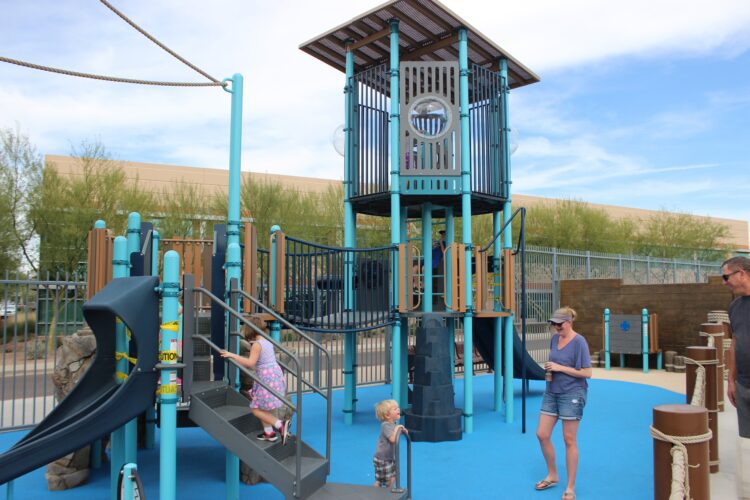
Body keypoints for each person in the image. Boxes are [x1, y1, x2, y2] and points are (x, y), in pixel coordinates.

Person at [535, 307, 592, 500]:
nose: (556, 327)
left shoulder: (579, 342)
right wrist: (551, 368)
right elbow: (555, 363)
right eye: (554, 323)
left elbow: (587, 373)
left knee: (569, 440)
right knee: (542, 434)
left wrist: (560, 367)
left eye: (560, 323)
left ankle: (570, 487)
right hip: (552, 391)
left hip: (572, 393)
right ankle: (553, 475)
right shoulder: (554, 339)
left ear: (569, 322)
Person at [220, 318, 291, 445]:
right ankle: (269, 433)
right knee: (263, 406)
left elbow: (250, 363)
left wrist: (232, 355)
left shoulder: (257, 345)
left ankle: (280, 424)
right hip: (274, 375)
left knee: (256, 408)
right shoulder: (267, 341)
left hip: (266, 377)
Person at [722, 256, 750, 438]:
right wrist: (731, 381)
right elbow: (735, 343)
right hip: (743, 386)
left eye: (726, 277)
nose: (724, 283)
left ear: (741, 273)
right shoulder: (734, 307)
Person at [373, 399, 407, 488]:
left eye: (398, 407)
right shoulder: (385, 425)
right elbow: (392, 439)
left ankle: (388, 491)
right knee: (380, 481)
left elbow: (396, 432)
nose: (398, 409)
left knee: (393, 476)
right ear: (387, 415)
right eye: (395, 409)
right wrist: (397, 428)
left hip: (389, 457)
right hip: (382, 459)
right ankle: (373, 493)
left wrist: (402, 430)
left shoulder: (393, 424)